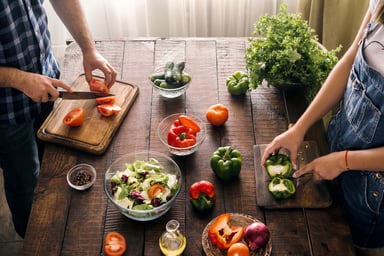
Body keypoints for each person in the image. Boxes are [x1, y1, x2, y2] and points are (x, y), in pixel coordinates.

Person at [262, 0, 384, 251]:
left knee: (347, 247)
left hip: (372, 186)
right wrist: (300, 127)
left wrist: (343, 161)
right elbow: (351, 57)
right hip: (337, 140)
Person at [0, 0, 117, 238]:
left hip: (46, 78)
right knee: (24, 179)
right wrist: (19, 79)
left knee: (53, 164)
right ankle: (33, 240)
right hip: (5, 110)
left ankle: (57, 224)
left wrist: (88, 48)